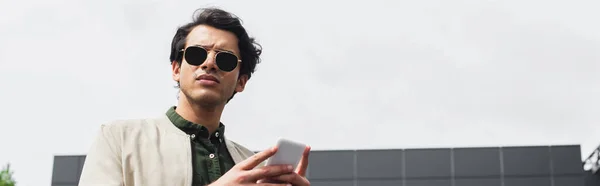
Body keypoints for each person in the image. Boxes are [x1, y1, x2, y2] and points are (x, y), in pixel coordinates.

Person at [78, 7, 311, 186]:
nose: (209, 63)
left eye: (225, 59)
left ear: (241, 81)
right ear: (176, 69)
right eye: (197, 54)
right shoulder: (119, 138)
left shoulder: (252, 167)